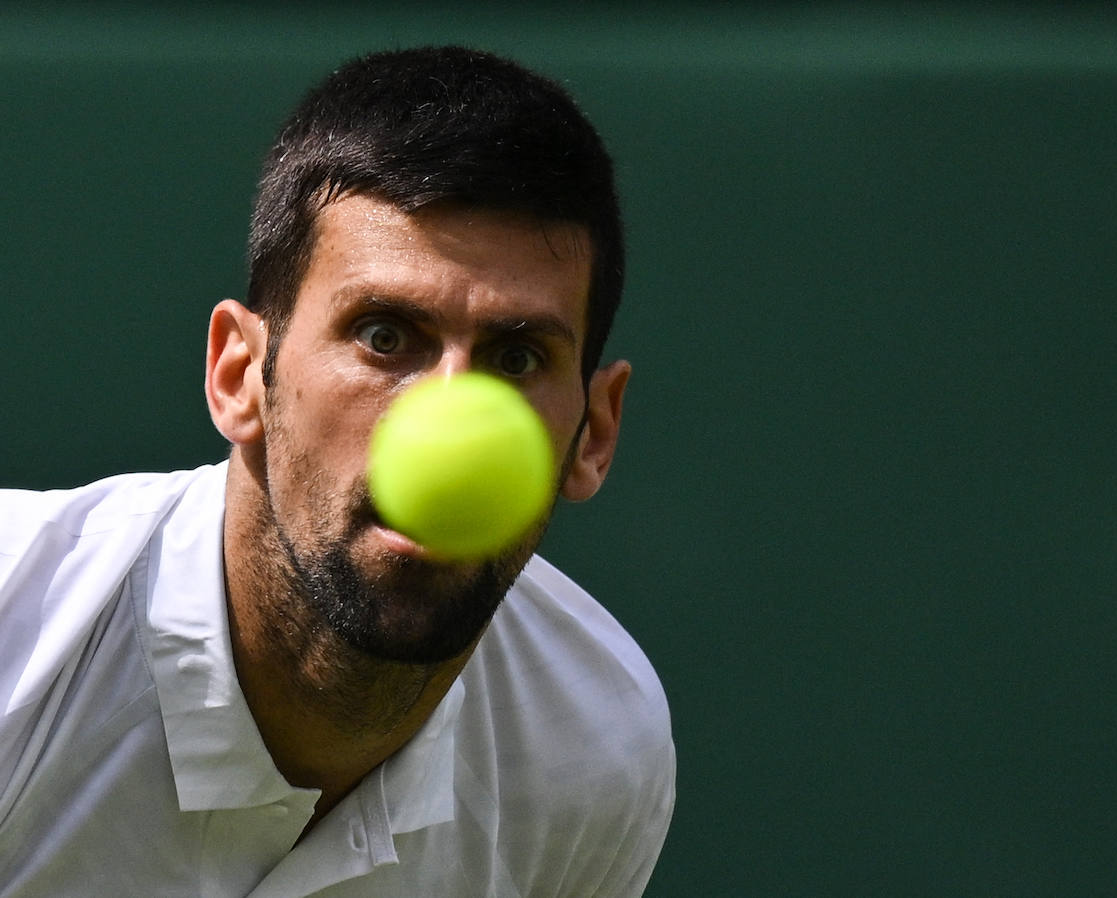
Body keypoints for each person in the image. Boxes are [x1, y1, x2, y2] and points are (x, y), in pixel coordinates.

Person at [0, 46, 674, 896]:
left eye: (516, 358)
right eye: (384, 336)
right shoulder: (15, 635)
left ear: (593, 431)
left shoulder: (595, 750)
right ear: (240, 374)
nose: (448, 425)